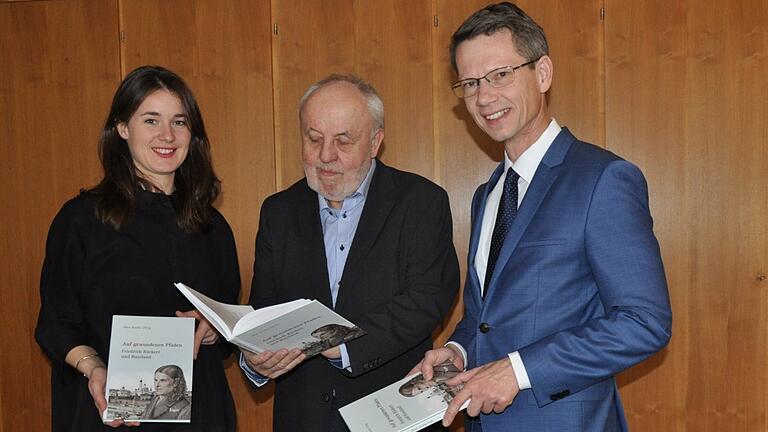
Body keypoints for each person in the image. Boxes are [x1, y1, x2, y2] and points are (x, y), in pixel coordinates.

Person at [413, 3, 673, 431]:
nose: (484, 97)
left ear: (543, 73)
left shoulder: (604, 179)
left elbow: (644, 323)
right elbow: (489, 316)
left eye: (500, 75)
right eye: (471, 83)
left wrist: (517, 370)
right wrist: (459, 350)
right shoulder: (487, 194)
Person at [239, 74, 460, 431]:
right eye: (314, 139)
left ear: (375, 142)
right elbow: (265, 307)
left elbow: (427, 298)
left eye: (343, 141)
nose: (326, 156)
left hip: (391, 417)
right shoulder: (278, 211)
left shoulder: (421, 202)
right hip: (303, 418)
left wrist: (339, 345)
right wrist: (255, 359)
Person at [35, 65, 240, 432]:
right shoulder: (82, 219)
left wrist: (213, 330)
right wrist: (93, 366)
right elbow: (56, 323)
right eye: (151, 120)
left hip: (201, 416)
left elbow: (228, 327)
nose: (167, 135)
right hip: (111, 414)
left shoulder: (213, 227)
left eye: (179, 122)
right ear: (123, 128)